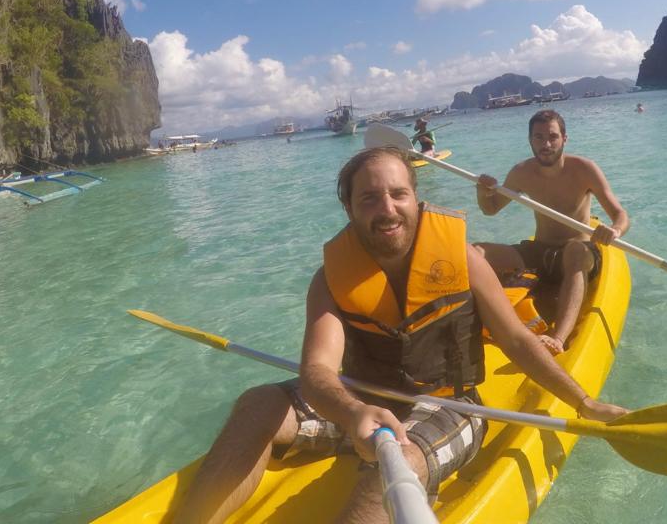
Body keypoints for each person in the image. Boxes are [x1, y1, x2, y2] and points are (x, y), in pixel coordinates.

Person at [173, 147, 626, 524]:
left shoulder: (464, 258)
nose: (387, 209)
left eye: (398, 194)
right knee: (260, 403)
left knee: (402, 459)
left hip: (451, 405)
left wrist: (583, 402)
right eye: (369, 199)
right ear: (349, 209)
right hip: (362, 399)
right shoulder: (330, 278)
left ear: (416, 200)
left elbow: (516, 340)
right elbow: (317, 370)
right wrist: (352, 413)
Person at [475, 110, 630, 356]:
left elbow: (621, 215)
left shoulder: (584, 169)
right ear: (530, 140)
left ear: (564, 139)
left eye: (552, 137)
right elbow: (491, 209)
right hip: (540, 251)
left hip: (579, 253)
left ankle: (558, 338)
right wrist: (483, 193)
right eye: (538, 137)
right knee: (477, 252)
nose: (546, 144)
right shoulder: (521, 172)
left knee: (575, 251)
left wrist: (614, 230)